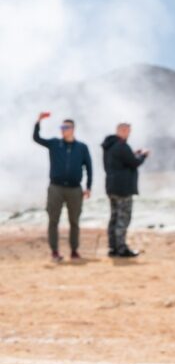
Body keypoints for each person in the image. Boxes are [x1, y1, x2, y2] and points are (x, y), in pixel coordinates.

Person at [33, 112, 93, 262]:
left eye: (66, 127)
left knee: (74, 221)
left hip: (75, 189)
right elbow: (37, 138)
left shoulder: (82, 147)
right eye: (62, 127)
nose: (63, 129)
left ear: (73, 129)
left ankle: (74, 251)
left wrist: (88, 187)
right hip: (56, 188)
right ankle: (54, 252)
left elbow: (89, 167)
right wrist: (38, 122)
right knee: (53, 220)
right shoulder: (54, 143)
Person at [101, 123, 149, 257]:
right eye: (126, 130)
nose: (128, 133)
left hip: (111, 186)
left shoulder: (109, 146)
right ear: (121, 131)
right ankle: (121, 249)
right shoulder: (121, 145)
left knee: (114, 218)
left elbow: (122, 160)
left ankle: (113, 248)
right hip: (123, 188)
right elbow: (134, 163)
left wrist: (134, 154)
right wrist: (143, 155)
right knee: (123, 219)